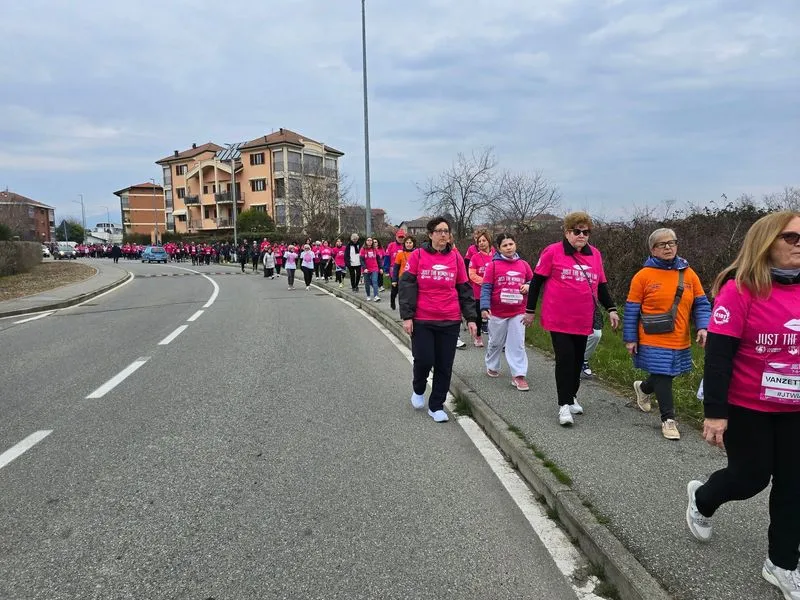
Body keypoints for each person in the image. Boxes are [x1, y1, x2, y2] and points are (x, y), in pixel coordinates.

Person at [685, 211, 800, 598]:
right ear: (766, 242)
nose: (799, 245)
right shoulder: (741, 289)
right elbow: (718, 356)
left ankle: (782, 563)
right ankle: (702, 498)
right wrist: (715, 413)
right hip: (748, 406)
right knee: (751, 478)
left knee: (794, 486)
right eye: (792, 238)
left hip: (795, 410)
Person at [523, 211, 620, 426]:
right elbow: (537, 282)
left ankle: (572, 395)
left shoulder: (594, 254)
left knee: (577, 360)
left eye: (586, 232)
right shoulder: (552, 252)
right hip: (558, 317)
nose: (582, 235)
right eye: (577, 231)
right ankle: (563, 405)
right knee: (565, 358)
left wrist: (612, 308)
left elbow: (601, 285)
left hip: (582, 318)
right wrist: (530, 311)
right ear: (567, 232)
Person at [623, 228, 711, 440]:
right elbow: (632, 309)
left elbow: (701, 303)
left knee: (667, 373)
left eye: (672, 242)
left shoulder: (688, 273)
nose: (668, 247)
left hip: (679, 336)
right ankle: (668, 419)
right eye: (662, 244)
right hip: (652, 336)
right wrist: (630, 338)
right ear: (652, 249)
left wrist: (703, 326)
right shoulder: (643, 276)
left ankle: (643, 388)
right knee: (663, 375)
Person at [399, 216, 478, 423]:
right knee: (424, 359)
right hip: (423, 319)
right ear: (431, 234)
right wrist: (407, 316)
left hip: (449, 319)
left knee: (444, 365)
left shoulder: (456, 258)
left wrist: (471, 317)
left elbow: (464, 288)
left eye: (446, 231)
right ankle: (418, 388)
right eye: (440, 231)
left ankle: (436, 406)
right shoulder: (417, 255)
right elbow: (407, 286)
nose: (444, 234)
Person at [481, 233, 534, 391]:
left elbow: (533, 281)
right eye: (505, 245)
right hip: (497, 311)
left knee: (517, 343)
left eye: (511, 244)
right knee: (496, 342)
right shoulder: (493, 266)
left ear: (515, 245)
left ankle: (518, 375)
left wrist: (529, 285)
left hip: (518, 310)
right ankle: (492, 365)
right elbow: (486, 287)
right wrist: (484, 307)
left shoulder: (523, 265)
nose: (509, 247)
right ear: (499, 248)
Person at [468, 230, 494, 347]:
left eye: (484, 240)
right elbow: (472, 275)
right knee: (478, 316)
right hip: (479, 292)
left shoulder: (496, 255)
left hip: (494, 292)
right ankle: (478, 336)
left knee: (494, 317)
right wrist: (486, 282)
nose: (482, 243)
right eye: (479, 241)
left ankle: (495, 339)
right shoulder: (475, 257)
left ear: (489, 241)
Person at [391, 236, 417, 310]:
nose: (408, 244)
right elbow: (396, 268)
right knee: (397, 294)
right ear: (404, 244)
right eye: (407, 243)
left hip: (413, 278)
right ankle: (395, 304)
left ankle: (410, 310)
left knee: (411, 296)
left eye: (410, 243)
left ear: (413, 244)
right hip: (402, 278)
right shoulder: (400, 254)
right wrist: (394, 280)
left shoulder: (417, 253)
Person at [360, 237, 382, 301]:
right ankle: (368, 295)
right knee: (367, 283)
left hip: (374, 268)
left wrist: (380, 268)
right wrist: (364, 268)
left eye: (370, 240)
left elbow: (378, 259)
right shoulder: (363, 249)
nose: (369, 241)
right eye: (368, 240)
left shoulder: (375, 249)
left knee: (375, 281)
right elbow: (361, 260)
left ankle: (376, 296)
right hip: (366, 269)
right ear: (366, 241)